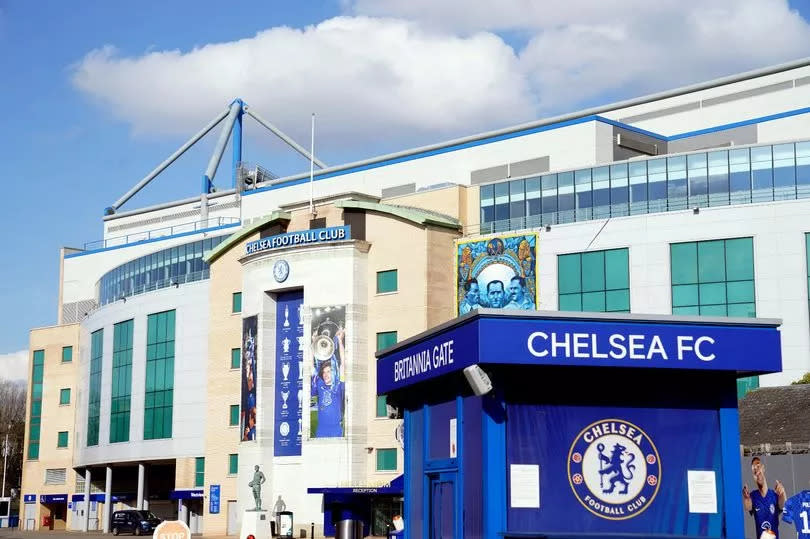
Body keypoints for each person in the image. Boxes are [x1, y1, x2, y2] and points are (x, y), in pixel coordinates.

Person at [743, 456, 787, 538]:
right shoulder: (753, 495)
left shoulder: (774, 495)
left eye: (758, 467)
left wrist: (782, 493)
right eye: (753, 469)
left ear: (763, 468)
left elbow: (783, 505)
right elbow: (748, 507)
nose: (756, 470)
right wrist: (746, 499)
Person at [312, 353, 345, 437]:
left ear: (333, 373)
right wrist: (312, 346)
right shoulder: (320, 384)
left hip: (335, 430)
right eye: (324, 372)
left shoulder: (338, 385)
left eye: (328, 372)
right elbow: (311, 366)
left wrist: (340, 342)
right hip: (321, 430)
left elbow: (343, 364)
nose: (325, 375)